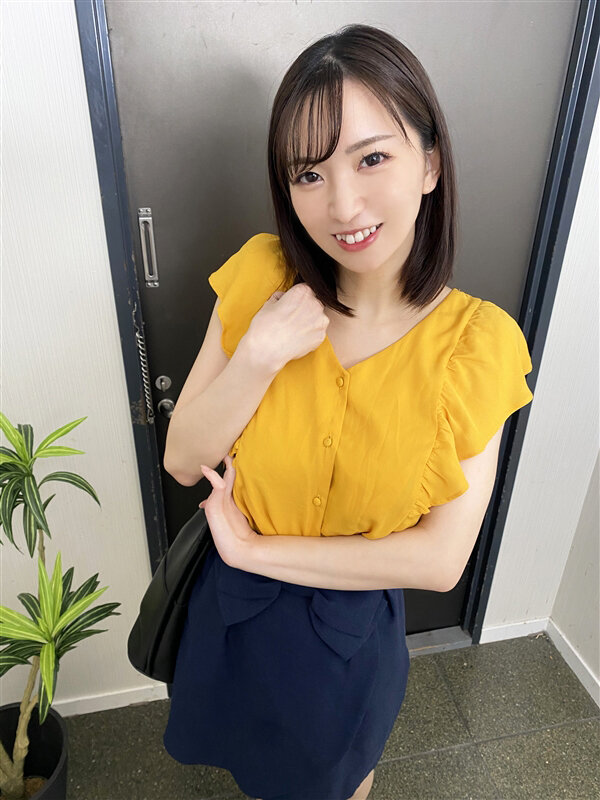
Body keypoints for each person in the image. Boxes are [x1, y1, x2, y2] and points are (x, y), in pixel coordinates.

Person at [161, 23, 534, 800]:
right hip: (230, 617)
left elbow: (439, 560)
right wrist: (259, 354)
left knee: (335, 782)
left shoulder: (478, 346)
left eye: (371, 158)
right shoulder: (263, 277)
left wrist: (255, 550)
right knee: (249, 770)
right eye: (309, 173)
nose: (342, 204)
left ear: (429, 163)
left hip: (344, 639)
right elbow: (182, 456)